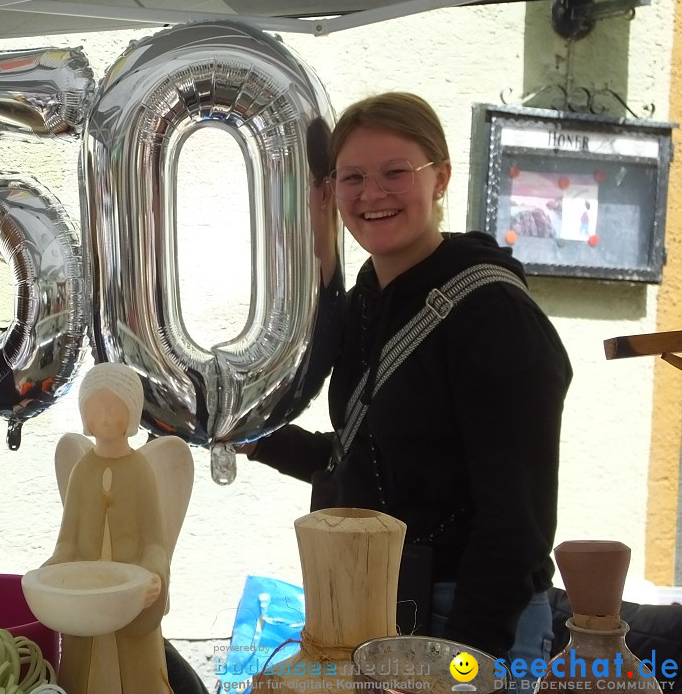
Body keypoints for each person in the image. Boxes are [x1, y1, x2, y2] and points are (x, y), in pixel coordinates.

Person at [246, 93, 572, 671]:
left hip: (468, 618)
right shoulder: (366, 304)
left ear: (440, 178)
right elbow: (366, 459)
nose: (372, 195)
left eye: (395, 172)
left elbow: (515, 522)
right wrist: (242, 434)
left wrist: (459, 662)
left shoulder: (493, 314)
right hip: (377, 603)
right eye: (353, 178)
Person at [42, 362, 181, 694]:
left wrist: (152, 576)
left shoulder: (141, 471)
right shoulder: (82, 472)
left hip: (130, 600)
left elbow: (154, 543)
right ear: (85, 416)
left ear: (131, 414)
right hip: (87, 598)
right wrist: (52, 571)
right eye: (96, 409)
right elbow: (68, 542)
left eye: (113, 408)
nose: (104, 417)